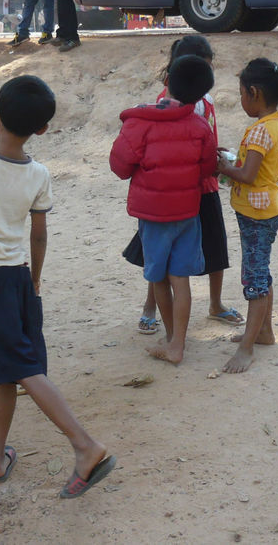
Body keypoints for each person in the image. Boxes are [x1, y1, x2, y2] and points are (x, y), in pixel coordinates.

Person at [0, 76, 115, 495]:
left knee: (21, 367)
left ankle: (85, 445)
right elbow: (39, 235)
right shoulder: (39, 174)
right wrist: (33, 280)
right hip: (16, 278)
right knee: (7, 370)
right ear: (43, 129)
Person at [123, 36, 243, 335]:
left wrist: (217, 156)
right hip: (175, 191)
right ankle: (151, 308)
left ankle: (214, 305)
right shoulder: (168, 101)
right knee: (160, 258)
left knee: (214, 249)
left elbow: (207, 139)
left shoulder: (207, 101)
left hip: (204, 185)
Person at [110, 56, 218, 364]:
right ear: (200, 96)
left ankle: (171, 340)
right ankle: (179, 343)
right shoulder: (199, 126)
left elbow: (119, 165)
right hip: (187, 211)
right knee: (180, 278)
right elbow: (207, 167)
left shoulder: (139, 122)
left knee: (158, 277)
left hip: (154, 215)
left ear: (166, 79)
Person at [216, 58, 278, 373]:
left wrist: (223, 168)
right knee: (261, 272)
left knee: (255, 280)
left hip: (257, 215)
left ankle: (247, 348)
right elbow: (253, 168)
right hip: (261, 210)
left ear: (254, 92)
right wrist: (232, 160)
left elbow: (247, 174)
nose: (241, 100)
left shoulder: (261, 131)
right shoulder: (271, 123)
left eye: (242, 94)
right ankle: (264, 332)